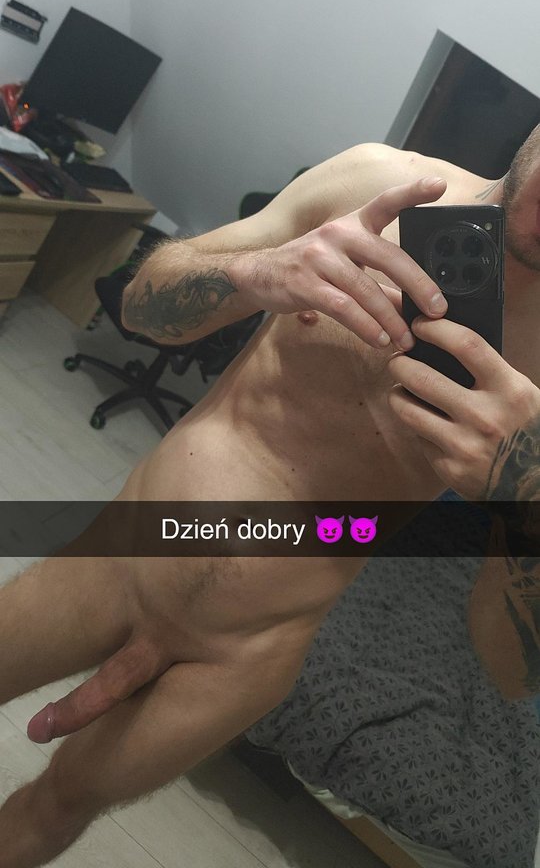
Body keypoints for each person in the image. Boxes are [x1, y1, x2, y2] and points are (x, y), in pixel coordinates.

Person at [0, 136, 539, 866]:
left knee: (57, 809)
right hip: (120, 559)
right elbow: (139, 305)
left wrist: (524, 498)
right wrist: (255, 274)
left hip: (244, 652)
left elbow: (507, 667)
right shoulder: (378, 178)